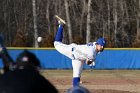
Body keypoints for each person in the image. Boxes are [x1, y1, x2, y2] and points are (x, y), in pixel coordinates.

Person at [54, 16, 106, 87]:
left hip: (78, 59)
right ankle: (61, 26)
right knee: (56, 44)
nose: (102, 47)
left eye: (103, 46)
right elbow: (87, 63)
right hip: (72, 50)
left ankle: (76, 90)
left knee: (76, 75)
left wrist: (90, 60)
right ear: (97, 44)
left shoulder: (94, 44)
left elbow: (91, 52)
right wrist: (91, 61)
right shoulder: (92, 53)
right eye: (101, 45)